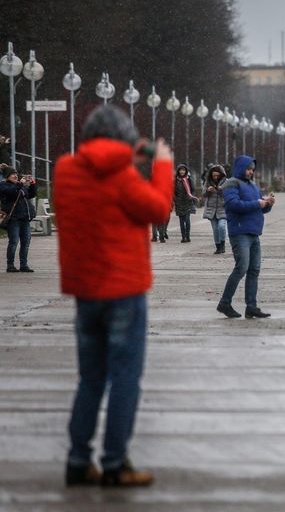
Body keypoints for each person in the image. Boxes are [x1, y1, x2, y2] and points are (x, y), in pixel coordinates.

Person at [54, 105, 173, 487]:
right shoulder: (122, 176)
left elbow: (96, 177)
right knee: (125, 377)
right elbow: (158, 209)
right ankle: (115, 462)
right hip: (123, 289)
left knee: (90, 378)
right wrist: (162, 165)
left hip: (85, 290)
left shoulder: (65, 170)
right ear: (124, 140)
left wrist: (128, 155)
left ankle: (77, 460)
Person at [216, 155, 274, 319]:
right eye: (248, 169)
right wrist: (257, 203)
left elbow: (259, 207)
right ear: (241, 168)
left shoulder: (252, 185)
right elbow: (234, 205)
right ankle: (224, 303)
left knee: (254, 270)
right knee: (241, 268)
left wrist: (267, 204)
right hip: (240, 232)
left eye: (252, 170)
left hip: (254, 232)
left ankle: (251, 306)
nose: (250, 172)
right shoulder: (231, 183)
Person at [0, 165, 37, 272]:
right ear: (7, 176)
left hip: (25, 218)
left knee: (26, 242)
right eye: (13, 174)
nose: (15, 176)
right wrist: (20, 183)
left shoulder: (20, 186)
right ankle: (10, 265)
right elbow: (11, 192)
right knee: (14, 242)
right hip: (13, 219)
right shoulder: (3, 185)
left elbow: (31, 195)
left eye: (16, 174)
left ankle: (24, 265)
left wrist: (33, 183)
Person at [202, 165, 227, 254]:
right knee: (215, 229)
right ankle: (218, 247)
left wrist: (220, 190)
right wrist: (208, 190)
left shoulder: (226, 182)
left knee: (221, 226)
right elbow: (203, 194)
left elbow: (229, 195)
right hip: (211, 209)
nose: (216, 177)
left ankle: (223, 244)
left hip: (223, 208)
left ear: (221, 175)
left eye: (217, 175)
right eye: (214, 176)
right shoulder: (207, 182)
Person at [173, 164, 198, 243]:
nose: (182, 171)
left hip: (187, 202)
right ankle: (183, 237)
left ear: (186, 171)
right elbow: (173, 191)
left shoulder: (189, 179)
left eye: (183, 170)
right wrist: (176, 200)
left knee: (187, 220)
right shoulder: (175, 180)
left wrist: (191, 197)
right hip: (179, 202)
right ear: (178, 171)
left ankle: (187, 236)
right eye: (180, 170)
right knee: (181, 220)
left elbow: (193, 189)